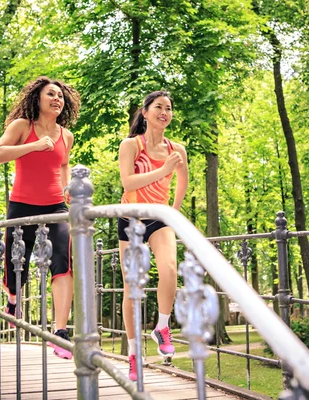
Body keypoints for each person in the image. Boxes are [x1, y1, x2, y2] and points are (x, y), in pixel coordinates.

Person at [0, 76, 80, 360]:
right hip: (22, 206)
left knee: (63, 261)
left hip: (55, 207)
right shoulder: (21, 126)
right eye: (51, 94)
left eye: (61, 96)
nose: (57, 99)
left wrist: (67, 188)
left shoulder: (66, 135)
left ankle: (61, 333)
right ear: (37, 100)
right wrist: (34, 146)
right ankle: (13, 300)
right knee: (18, 267)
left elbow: (64, 164)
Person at [118, 91, 189, 380]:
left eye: (169, 108)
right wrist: (163, 169)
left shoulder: (177, 150)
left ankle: (162, 326)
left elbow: (182, 181)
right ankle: (134, 354)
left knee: (170, 269)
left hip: (159, 219)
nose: (164, 112)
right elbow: (128, 181)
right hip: (130, 219)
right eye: (158, 107)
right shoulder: (130, 145)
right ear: (145, 113)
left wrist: (173, 211)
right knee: (131, 287)